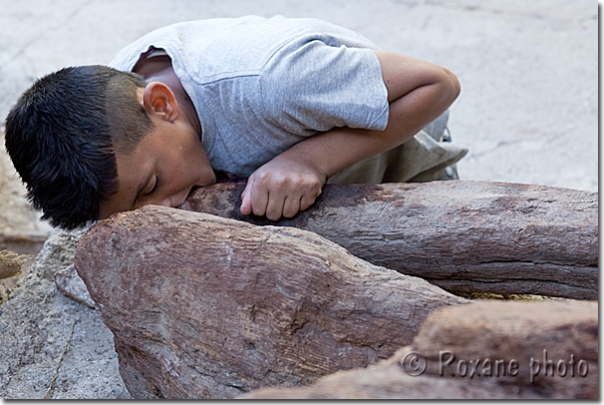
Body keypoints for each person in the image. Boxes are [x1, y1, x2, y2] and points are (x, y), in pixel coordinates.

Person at [4, 15, 467, 230]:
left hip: (402, 161)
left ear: (163, 105)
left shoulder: (271, 82)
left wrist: (311, 159)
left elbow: (437, 84)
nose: (163, 213)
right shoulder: (113, 115)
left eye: (152, 187)